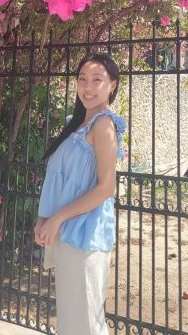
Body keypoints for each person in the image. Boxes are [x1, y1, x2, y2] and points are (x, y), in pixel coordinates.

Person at [34, 52, 126, 335]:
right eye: (82, 79)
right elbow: (59, 180)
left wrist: (56, 218)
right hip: (66, 234)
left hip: (85, 235)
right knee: (72, 320)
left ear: (112, 85)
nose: (88, 87)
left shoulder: (103, 125)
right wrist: (45, 218)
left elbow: (106, 188)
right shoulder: (78, 124)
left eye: (97, 80)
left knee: (86, 322)